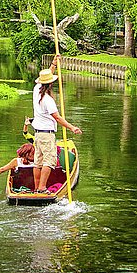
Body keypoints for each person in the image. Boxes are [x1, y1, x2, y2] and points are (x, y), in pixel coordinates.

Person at [31, 54, 82, 194]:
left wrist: (53, 65)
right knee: (49, 161)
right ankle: (42, 188)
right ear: (51, 84)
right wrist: (72, 127)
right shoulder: (48, 100)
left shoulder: (36, 91)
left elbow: (46, 77)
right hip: (47, 135)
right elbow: (58, 118)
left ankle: (36, 188)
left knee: (38, 162)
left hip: (38, 134)